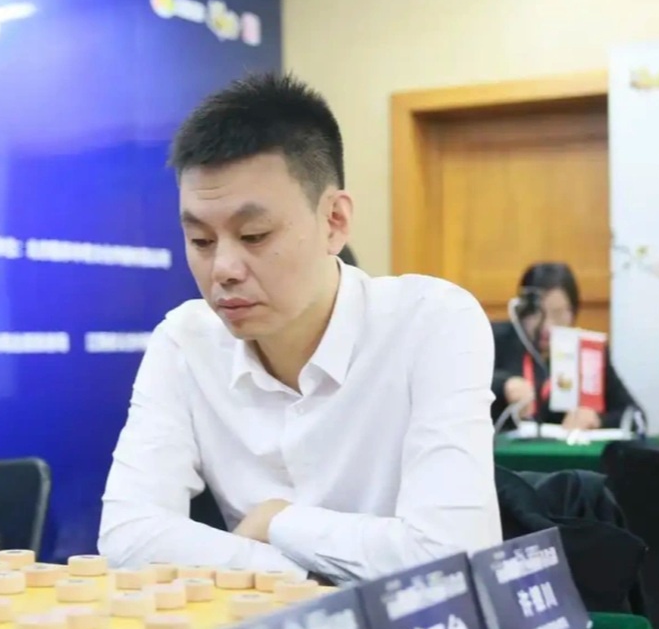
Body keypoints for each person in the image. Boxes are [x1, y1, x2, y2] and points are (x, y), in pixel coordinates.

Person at [98, 73, 502, 584]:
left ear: (334, 221)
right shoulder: (185, 341)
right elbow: (127, 535)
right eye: (200, 241)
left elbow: (456, 559)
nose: (223, 269)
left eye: (254, 235)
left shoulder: (432, 321)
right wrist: (287, 568)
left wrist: (279, 522)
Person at [491, 262, 641, 431]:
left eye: (558, 314)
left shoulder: (588, 353)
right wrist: (502, 386)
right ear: (521, 310)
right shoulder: (494, 340)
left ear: (573, 312)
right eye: (537, 313)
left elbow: (636, 417)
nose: (547, 326)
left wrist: (598, 420)